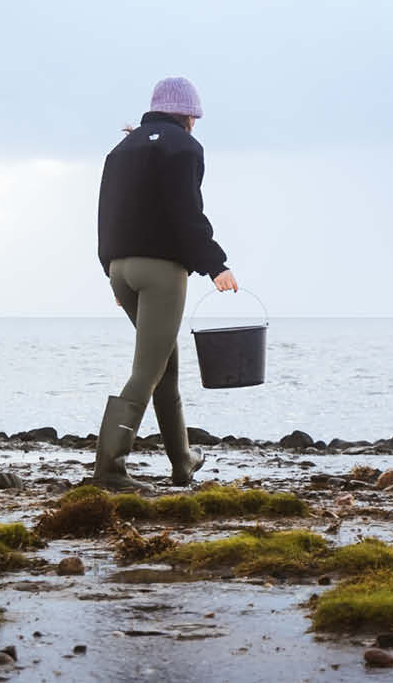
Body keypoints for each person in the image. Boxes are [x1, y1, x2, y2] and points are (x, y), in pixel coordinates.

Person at [93, 76, 238, 490]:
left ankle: (182, 460)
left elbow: (105, 213)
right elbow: (186, 214)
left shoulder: (121, 149)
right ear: (189, 115)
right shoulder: (185, 148)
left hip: (121, 268)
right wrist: (216, 265)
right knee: (146, 371)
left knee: (164, 368)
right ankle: (109, 471)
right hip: (160, 272)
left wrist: (110, 271)